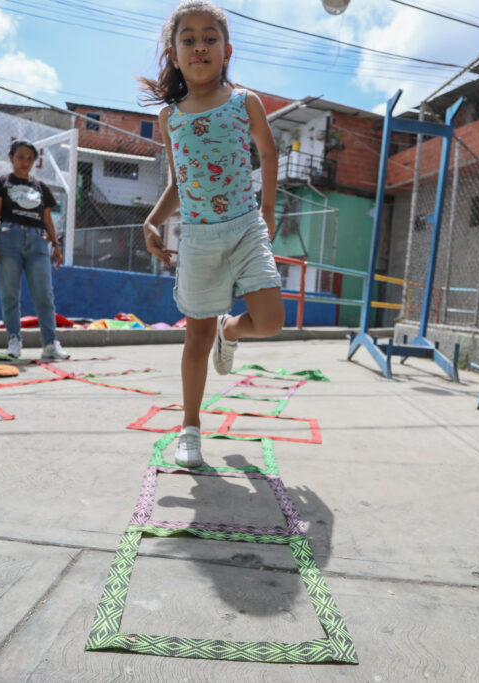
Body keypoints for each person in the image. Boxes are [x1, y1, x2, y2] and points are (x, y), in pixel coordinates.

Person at [139, 1, 284, 467]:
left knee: (271, 321)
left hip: (245, 227)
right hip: (199, 237)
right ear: (175, 53)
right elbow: (179, 182)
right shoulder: (171, 118)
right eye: (188, 39)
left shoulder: (246, 102)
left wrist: (267, 210)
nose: (199, 45)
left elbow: (269, 153)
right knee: (195, 339)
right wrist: (153, 219)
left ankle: (233, 329)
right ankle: (190, 427)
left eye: (210, 37)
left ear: (226, 50)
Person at [0, 140, 69, 360]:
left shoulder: (41, 187)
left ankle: (50, 343)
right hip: (7, 239)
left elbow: (47, 219)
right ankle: (14, 340)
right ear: (11, 158)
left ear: (35, 162)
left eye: (30, 158)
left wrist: (56, 245)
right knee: (10, 293)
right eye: (20, 157)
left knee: (44, 293)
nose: (25, 162)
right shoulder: (0, 183)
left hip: (37, 242)